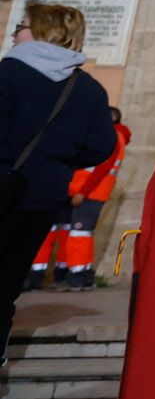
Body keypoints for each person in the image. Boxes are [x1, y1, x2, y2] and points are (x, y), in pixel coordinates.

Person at [0, 3, 117, 356]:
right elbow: (101, 146)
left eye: (21, 25)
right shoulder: (89, 90)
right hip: (41, 197)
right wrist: (57, 161)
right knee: (6, 283)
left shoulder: (8, 73)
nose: (14, 32)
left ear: (41, 31)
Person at [27, 107, 129, 292]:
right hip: (76, 191)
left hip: (88, 193)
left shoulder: (111, 137)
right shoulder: (105, 135)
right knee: (71, 232)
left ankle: (78, 277)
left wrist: (82, 191)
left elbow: (101, 168)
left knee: (79, 233)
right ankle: (70, 274)